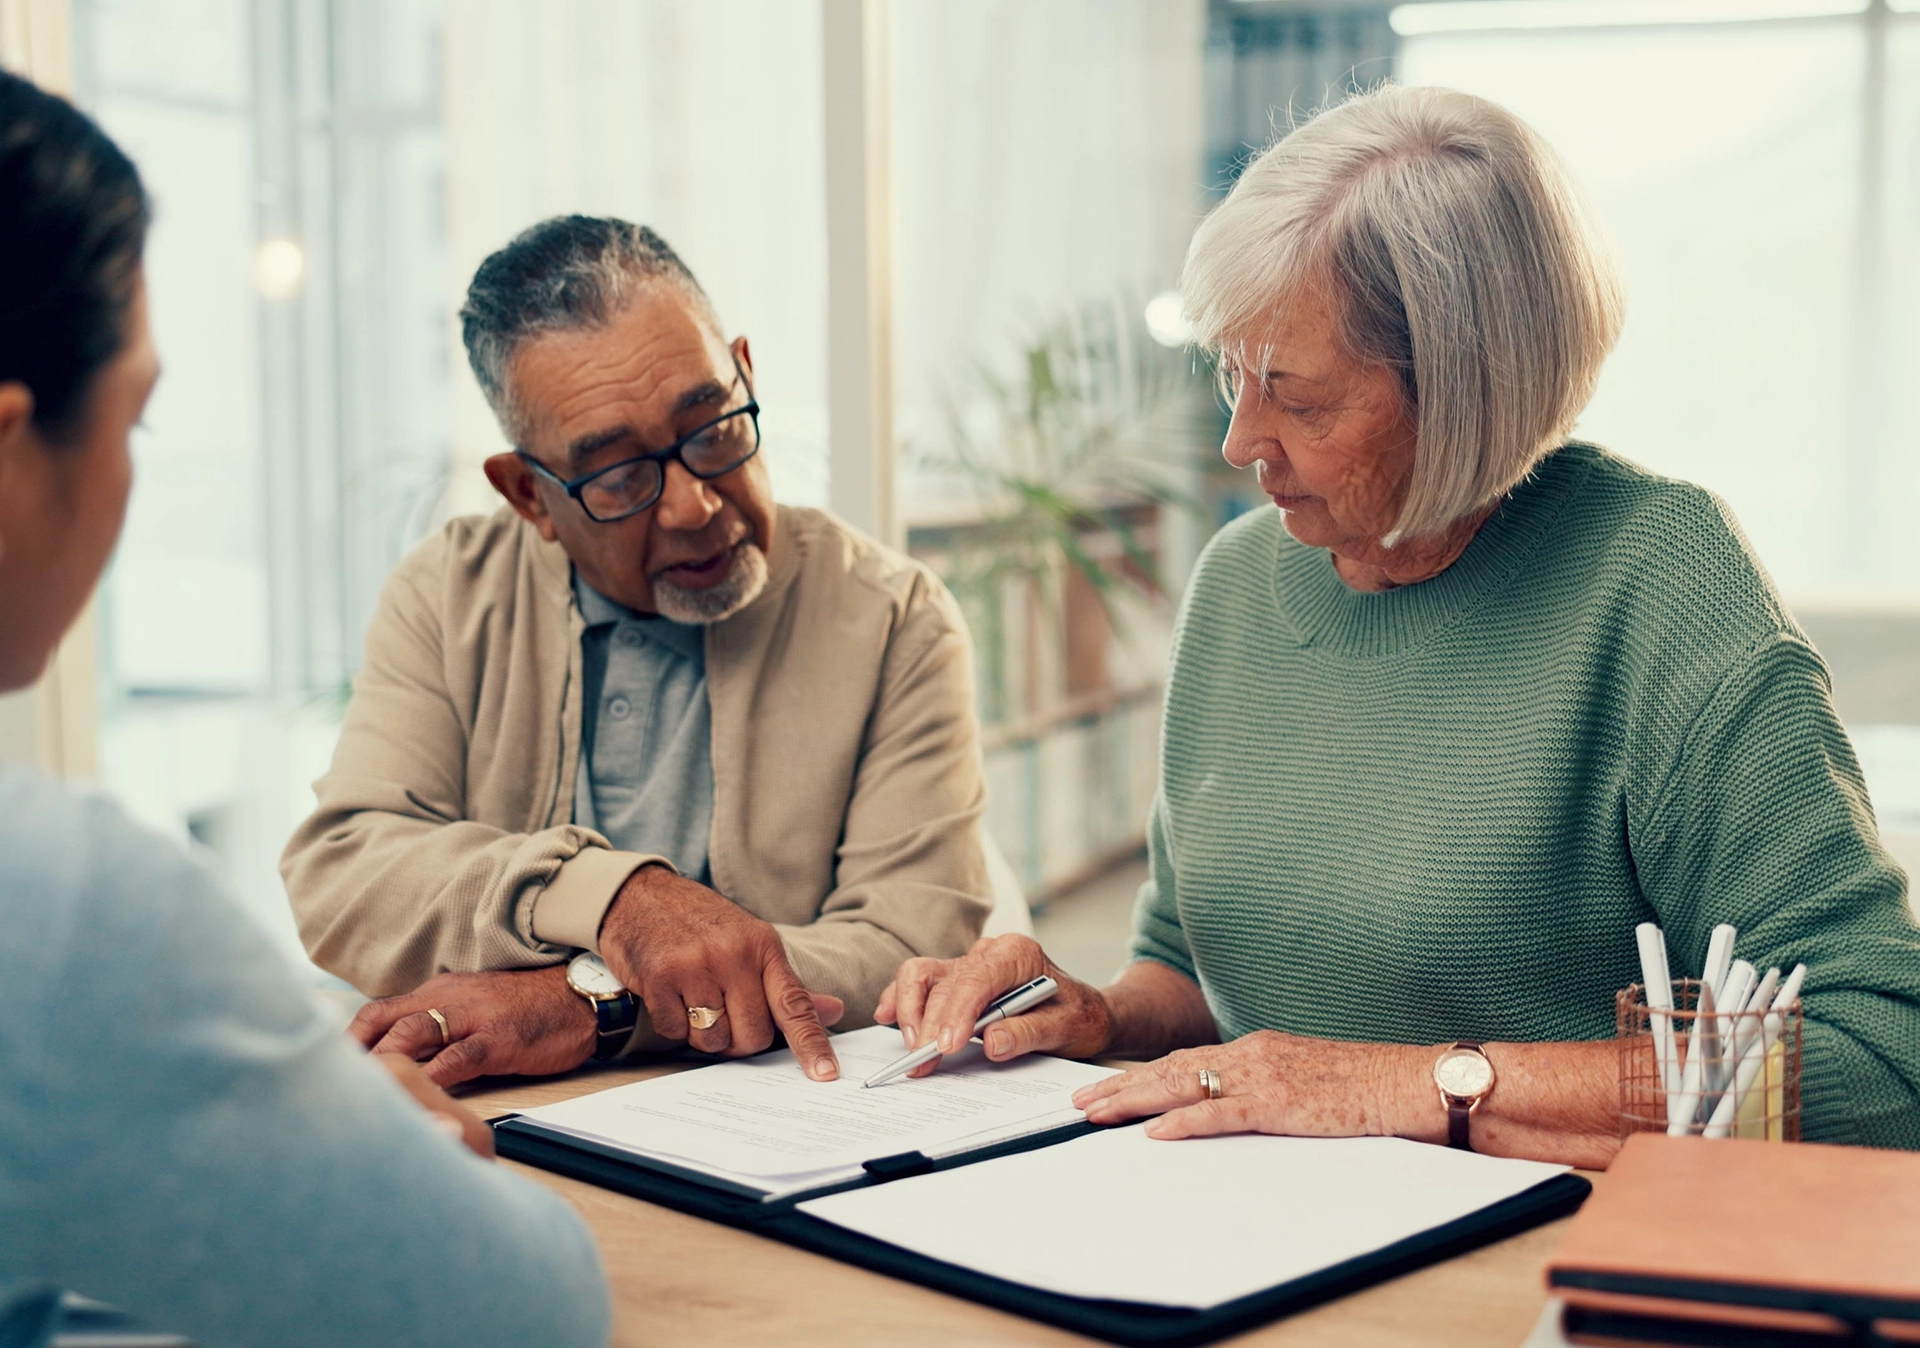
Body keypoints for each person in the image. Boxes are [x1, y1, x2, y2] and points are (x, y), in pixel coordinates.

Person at [879, 84, 1920, 1166]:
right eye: (1233, 373)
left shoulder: (1659, 581)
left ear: (1470, 388)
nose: (1240, 441)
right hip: (1236, 1235)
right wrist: (1091, 1010)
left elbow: (1888, 1055)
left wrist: (1409, 1084)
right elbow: (1194, 966)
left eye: (1299, 396)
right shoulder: (1240, 582)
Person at [0, 71, 610, 1348]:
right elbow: (520, 1314)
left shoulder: (883, 609)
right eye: (138, 416)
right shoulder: (51, 904)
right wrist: (361, 1145)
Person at [282, 216, 989, 1087]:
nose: (693, 504)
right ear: (530, 496)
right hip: (491, 1114)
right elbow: (347, 866)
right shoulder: (448, 593)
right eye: (618, 476)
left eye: (713, 428)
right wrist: (615, 899)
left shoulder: (894, 617)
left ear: (745, 372)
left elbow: (908, 945)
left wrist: (589, 1006)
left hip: (777, 1120)